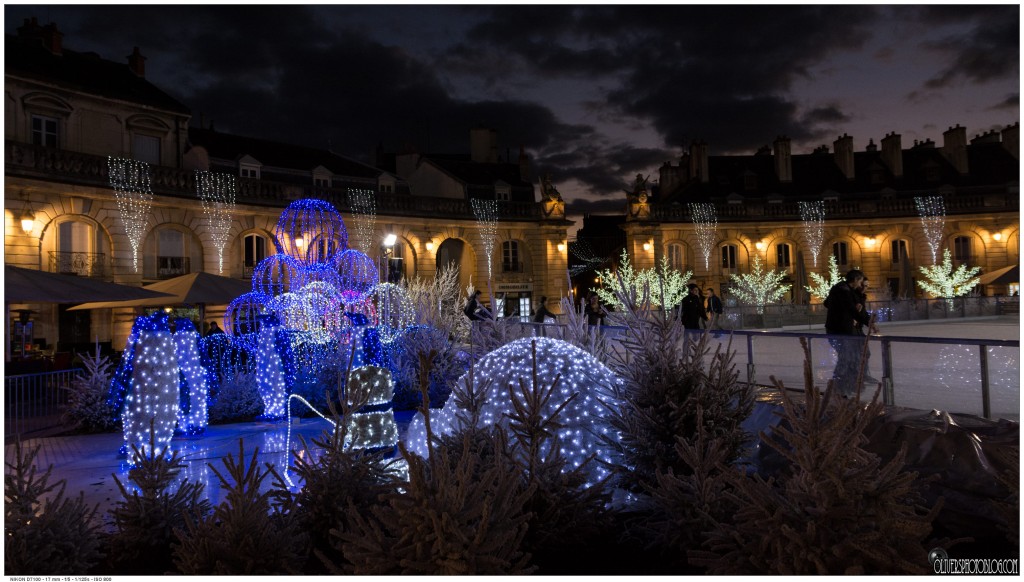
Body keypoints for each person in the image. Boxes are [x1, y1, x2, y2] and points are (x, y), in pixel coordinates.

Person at [824, 269, 871, 397]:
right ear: (856, 280)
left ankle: (847, 385)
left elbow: (827, 303)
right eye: (861, 282)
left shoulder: (843, 290)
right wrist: (868, 322)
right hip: (840, 331)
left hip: (841, 329)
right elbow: (851, 310)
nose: (862, 285)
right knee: (846, 358)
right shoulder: (843, 290)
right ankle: (839, 387)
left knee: (850, 357)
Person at [854, 277, 880, 384]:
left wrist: (871, 325)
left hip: (857, 329)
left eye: (867, 285)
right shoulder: (853, 297)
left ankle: (862, 375)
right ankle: (857, 376)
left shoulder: (861, 297)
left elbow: (863, 314)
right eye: (864, 285)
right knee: (857, 354)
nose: (866, 288)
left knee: (865, 353)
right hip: (851, 330)